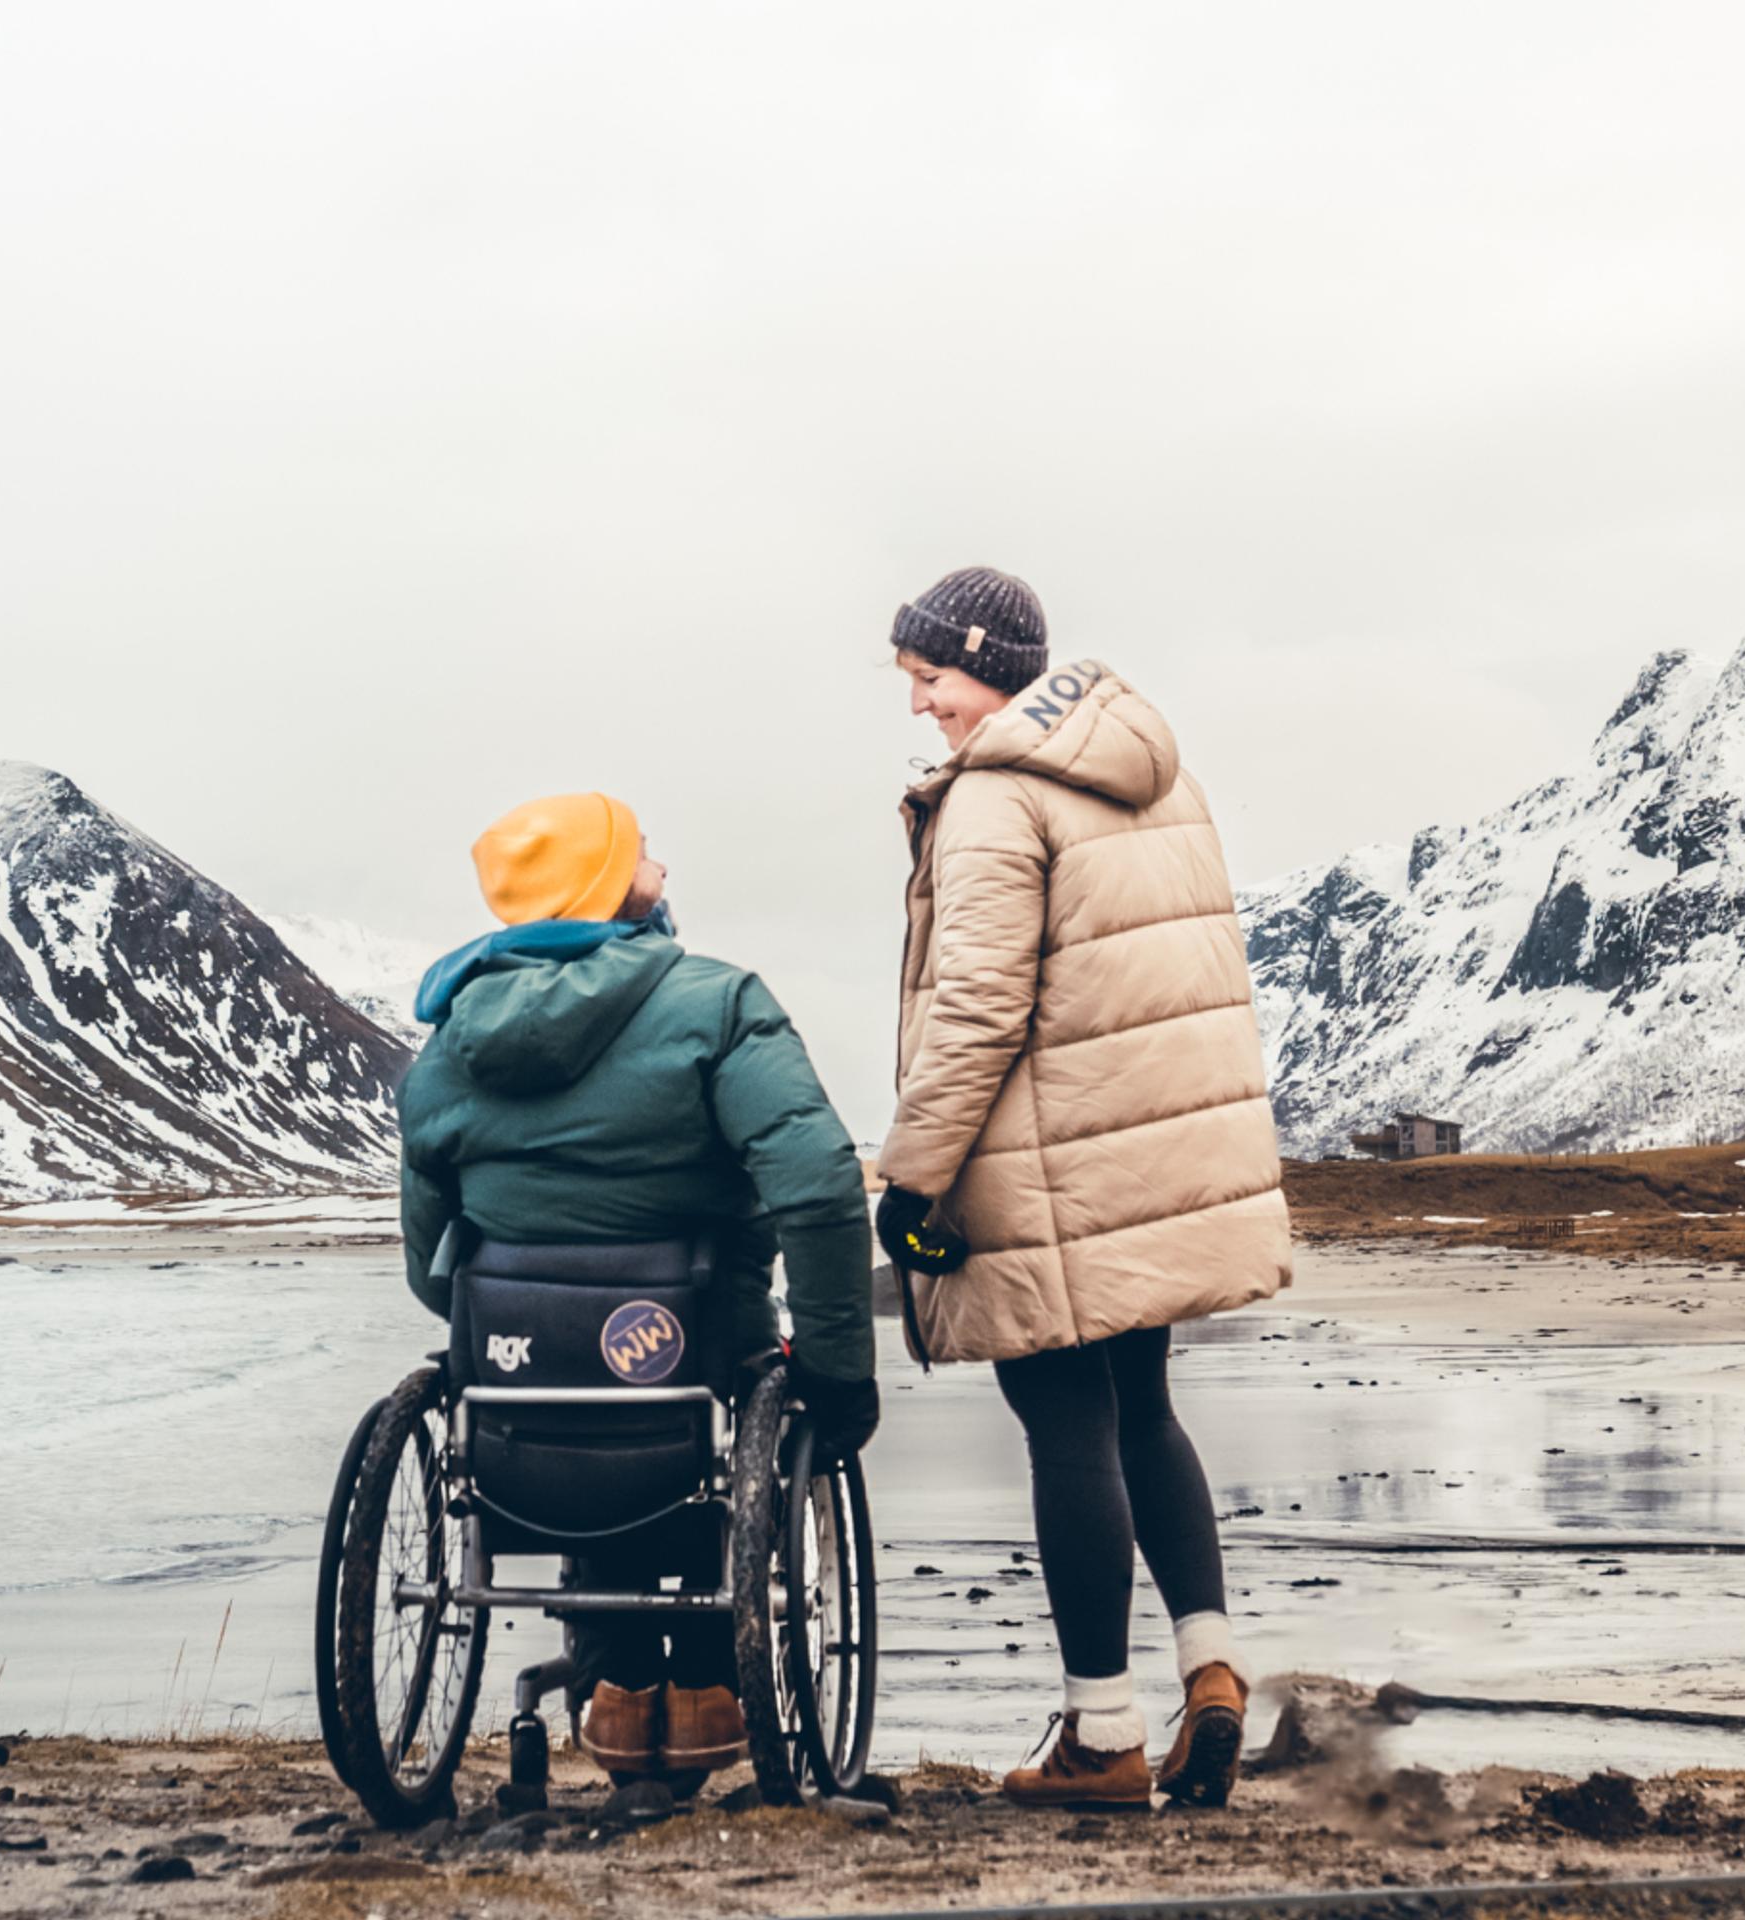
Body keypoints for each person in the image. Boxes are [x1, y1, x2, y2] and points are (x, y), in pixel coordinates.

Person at [875, 566, 1292, 1811]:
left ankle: (1101, 1734)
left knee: (1065, 1426)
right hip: (1146, 1161)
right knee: (1145, 1410)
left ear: (985, 665)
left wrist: (912, 1179)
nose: (920, 707)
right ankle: (1210, 1670)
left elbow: (980, 1009)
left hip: (1043, 1168)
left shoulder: (998, 799)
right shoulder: (1158, 777)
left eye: (929, 679)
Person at [395, 791, 879, 1787]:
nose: (662, 870)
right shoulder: (718, 1003)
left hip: (522, 1392)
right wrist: (837, 1373)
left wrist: (511, 1323)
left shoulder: (448, 1044)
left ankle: (615, 1690)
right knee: (718, 1386)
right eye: (645, 856)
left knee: (583, 1385)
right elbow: (820, 1187)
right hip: (697, 1354)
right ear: (606, 887)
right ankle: (705, 1686)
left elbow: (429, 1256)